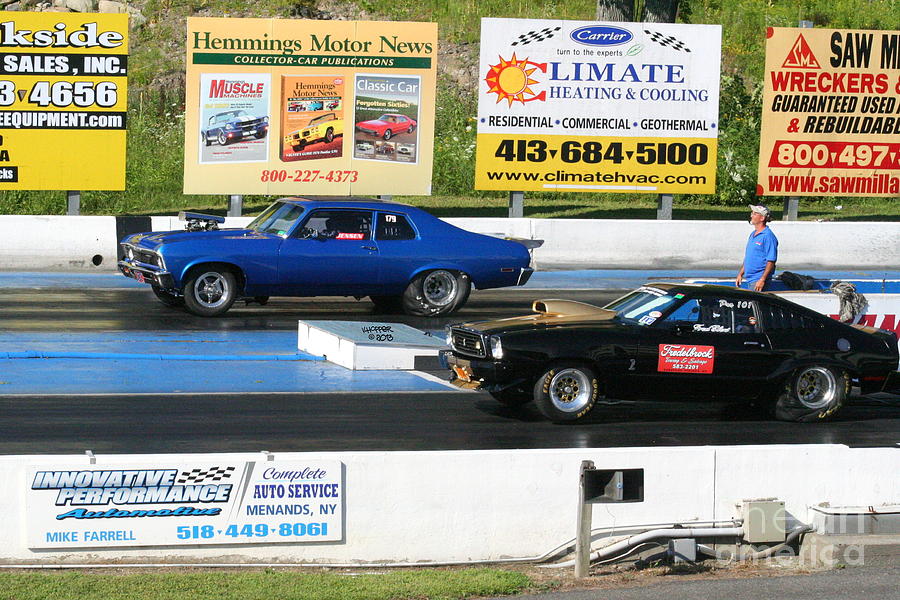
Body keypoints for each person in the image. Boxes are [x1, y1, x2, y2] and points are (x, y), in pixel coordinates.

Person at [736, 204, 778, 292]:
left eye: (755, 214)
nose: (751, 215)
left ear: (762, 218)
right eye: (752, 213)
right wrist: (741, 273)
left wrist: (762, 279)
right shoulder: (753, 234)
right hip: (750, 279)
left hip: (758, 280)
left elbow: (771, 260)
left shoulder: (768, 236)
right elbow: (749, 256)